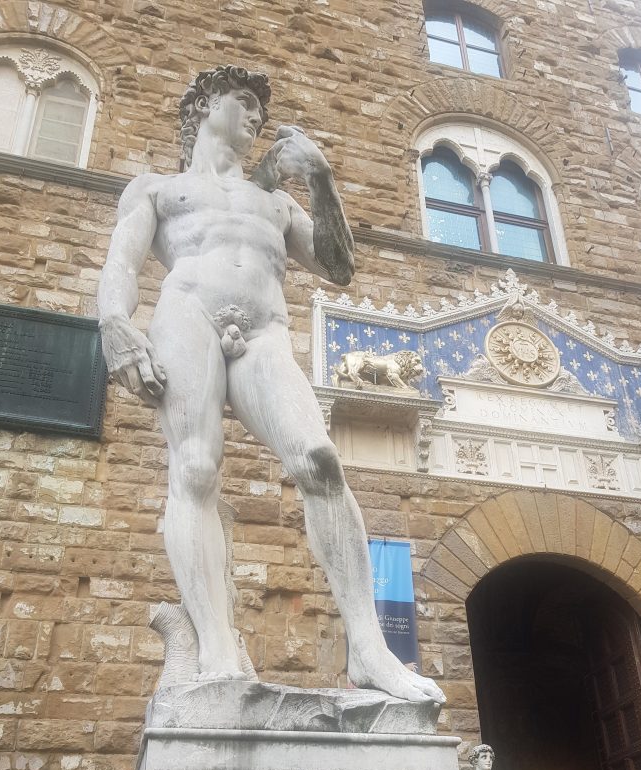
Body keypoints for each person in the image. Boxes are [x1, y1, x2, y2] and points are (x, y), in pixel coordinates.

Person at [97, 65, 445, 706]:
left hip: (265, 330)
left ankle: (370, 650)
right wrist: (115, 323)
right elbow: (122, 261)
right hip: (188, 314)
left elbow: (339, 266)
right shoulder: (158, 189)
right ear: (205, 105)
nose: (257, 115)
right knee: (195, 468)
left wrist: (321, 179)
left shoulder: (277, 203)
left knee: (320, 462)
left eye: (260, 107)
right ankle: (217, 649)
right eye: (244, 101)